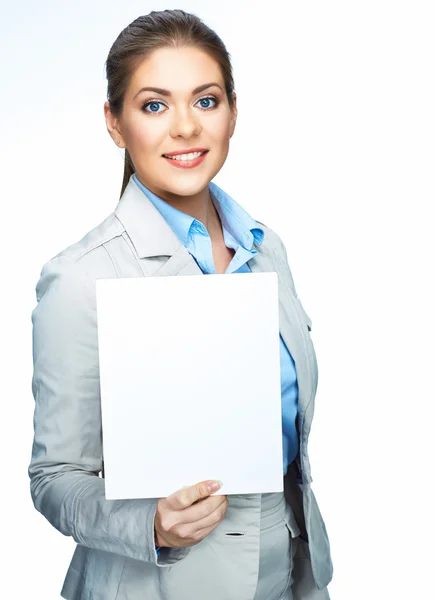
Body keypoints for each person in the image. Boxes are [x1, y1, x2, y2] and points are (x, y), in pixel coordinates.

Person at [28, 9, 333, 600]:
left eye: (206, 100)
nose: (186, 128)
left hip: (291, 576)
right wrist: (151, 525)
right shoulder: (79, 279)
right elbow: (54, 479)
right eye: (154, 105)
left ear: (233, 112)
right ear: (115, 124)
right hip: (157, 585)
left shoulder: (266, 249)